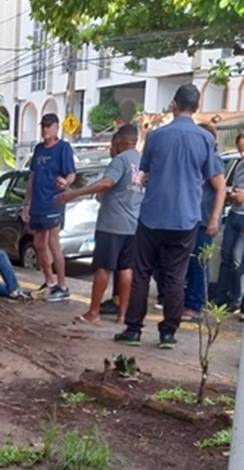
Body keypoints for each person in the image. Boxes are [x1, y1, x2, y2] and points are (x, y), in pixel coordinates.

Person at [114, 84, 225, 349]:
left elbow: (146, 172)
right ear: (197, 108)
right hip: (186, 218)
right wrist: (213, 219)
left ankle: (133, 330)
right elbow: (215, 179)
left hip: (153, 215)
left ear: (174, 105)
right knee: (176, 275)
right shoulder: (205, 139)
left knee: (141, 272)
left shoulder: (156, 137)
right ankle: (167, 333)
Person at [57, 125, 144, 324]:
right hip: (132, 224)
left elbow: (106, 183)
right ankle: (122, 314)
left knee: (103, 267)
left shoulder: (120, 160)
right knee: (126, 268)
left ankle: (94, 312)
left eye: (112, 144)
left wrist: (74, 193)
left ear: (120, 141)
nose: (110, 149)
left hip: (112, 224)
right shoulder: (142, 161)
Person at [21, 113, 76, 302]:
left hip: (54, 202)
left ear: (56, 127)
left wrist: (65, 182)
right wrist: (26, 203)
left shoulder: (63, 148)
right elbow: (32, 177)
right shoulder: (38, 149)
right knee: (38, 243)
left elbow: (71, 174)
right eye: (43, 126)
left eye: (48, 126)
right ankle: (49, 281)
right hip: (37, 203)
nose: (45, 129)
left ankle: (63, 285)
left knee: (53, 243)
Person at [180, 124, 225, 322]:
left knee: (199, 263)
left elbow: (220, 189)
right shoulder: (198, 159)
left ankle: (195, 306)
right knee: (190, 263)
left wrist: (214, 219)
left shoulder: (212, 160)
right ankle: (190, 302)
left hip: (204, 221)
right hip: (191, 219)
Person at [214, 133, 244, 313]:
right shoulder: (240, 165)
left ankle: (236, 299)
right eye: (240, 149)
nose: (242, 153)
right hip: (234, 213)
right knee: (226, 256)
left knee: (237, 259)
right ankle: (221, 296)